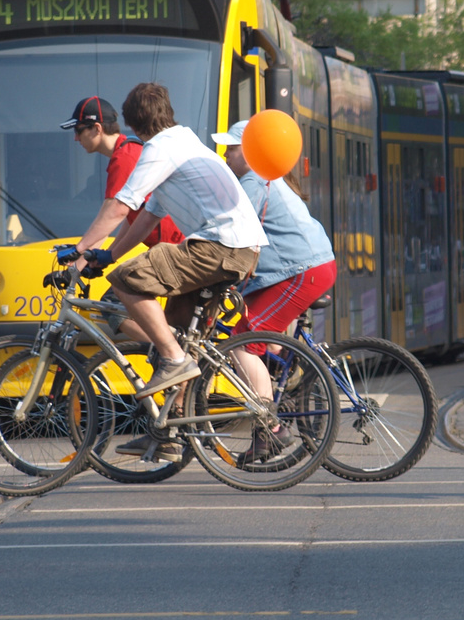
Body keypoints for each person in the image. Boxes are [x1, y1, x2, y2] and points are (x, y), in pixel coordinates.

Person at [68, 83, 266, 401]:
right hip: (237, 248)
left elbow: (121, 206)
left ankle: (174, 359)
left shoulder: (160, 149)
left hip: (220, 246)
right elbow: (149, 216)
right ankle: (170, 439)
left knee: (124, 280)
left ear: (133, 124)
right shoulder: (183, 142)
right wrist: (107, 254)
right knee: (176, 338)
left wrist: (78, 252)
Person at [211, 119, 337, 457]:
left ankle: (272, 428)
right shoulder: (265, 178)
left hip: (301, 272)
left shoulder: (254, 181)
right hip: (305, 268)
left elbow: (228, 232)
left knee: (242, 344)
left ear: (250, 152)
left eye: (231, 149)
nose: (225, 157)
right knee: (258, 338)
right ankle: (284, 387)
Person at [61, 95, 183, 247]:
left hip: (176, 248)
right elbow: (130, 218)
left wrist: (79, 252)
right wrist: (104, 255)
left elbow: (113, 212)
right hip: (168, 248)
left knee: (127, 272)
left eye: (78, 131)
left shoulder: (125, 157)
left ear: (97, 128)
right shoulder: (127, 150)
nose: (76, 138)